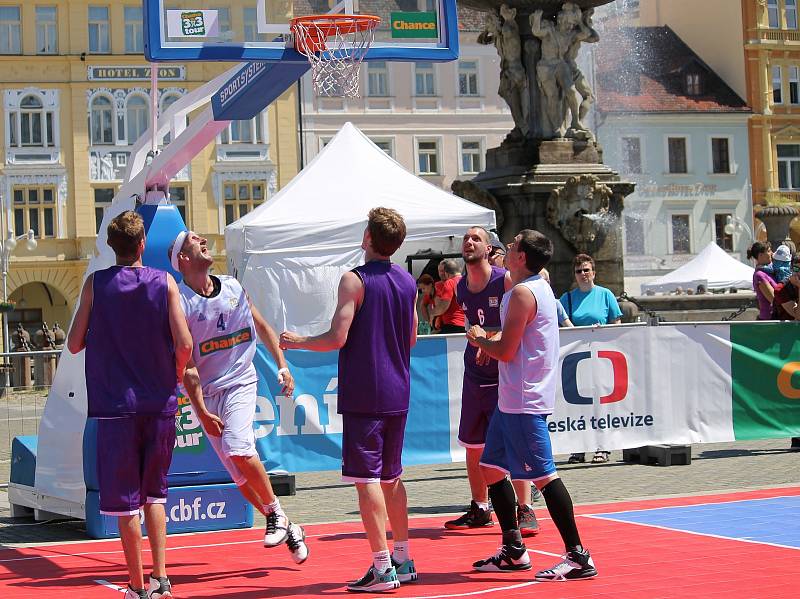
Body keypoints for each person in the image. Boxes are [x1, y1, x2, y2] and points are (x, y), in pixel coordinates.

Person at [279, 207, 418, 593]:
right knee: (392, 477)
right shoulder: (408, 281)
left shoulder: (354, 280)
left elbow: (338, 337)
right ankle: (403, 558)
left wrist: (299, 340)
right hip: (398, 388)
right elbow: (411, 339)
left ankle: (382, 566)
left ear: (368, 238)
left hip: (366, 392)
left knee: (366, 479)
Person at [67, 210, 193, 599]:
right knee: (156, 494)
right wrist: (173, 374)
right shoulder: (165, 283)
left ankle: (137, 585)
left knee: (126, 502)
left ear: (111, 245)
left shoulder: (95, 285)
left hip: (114, 405)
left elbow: (74, 342)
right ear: (142, 245)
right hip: (158, 402)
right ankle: (162, 578)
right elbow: (186, 343)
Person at [168, 230, 309, 565]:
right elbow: (187, 367)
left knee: (239, 448)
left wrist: (283, 366)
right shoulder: (182, 304)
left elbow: (263, 326)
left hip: (241, 382)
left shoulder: (232, 286)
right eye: (192, 240)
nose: (202, 239)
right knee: (239, 476)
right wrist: (200, 411)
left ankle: (275, 513)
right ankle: (289, 526)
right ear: (182, 260)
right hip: (209, 392)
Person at [466, 229, 597, 581]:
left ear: (522, 257)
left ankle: (578, 555)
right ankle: (513, 549)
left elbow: (506, 351)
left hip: (524, 400)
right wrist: (490, 340)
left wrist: (481, 338)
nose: (505, 249)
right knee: (490, 468)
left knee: (544, 476)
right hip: (512, 400)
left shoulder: (523, 292)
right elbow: (512, 341)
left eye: (511, 246)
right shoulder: (532, 288)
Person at [445, 227, 540, 537]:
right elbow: (473, 323)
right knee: (473, 445)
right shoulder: (460, 287)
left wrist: (494, 338)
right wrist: (476, 336)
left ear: (489, 249)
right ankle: (480, 507)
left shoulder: (506, 279)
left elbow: (540, 287)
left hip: (503, 371)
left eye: (477, 239)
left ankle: (524, 507)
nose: (469, 242)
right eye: (466, 238)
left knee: (513, 442)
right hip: (475, 373)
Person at [560, 253, 621, 464]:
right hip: (576, 358)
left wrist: (603, 333)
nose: (583, 274)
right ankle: (578, 448)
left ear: (593, 272)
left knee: (600, 404)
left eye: (586, 270)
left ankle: (602, 447)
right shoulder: (567, 298)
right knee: (577, 405)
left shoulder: (606, 295)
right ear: (575, 275)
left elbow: (616, 324)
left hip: (601, 357)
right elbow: (560, 325)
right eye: (579, 271)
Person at [430, 258, 466, 333]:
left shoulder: (450, 282)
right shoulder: (466, 281)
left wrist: (432, 313)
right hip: (467, 324)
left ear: (447, 273)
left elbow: (443, 306)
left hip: (452, 324)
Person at [748, 241, 777, 321]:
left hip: (776, 316)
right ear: (760, 255)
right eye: (768, 251)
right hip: (769, 319)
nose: (772, 253)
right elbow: (774, 299)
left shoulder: (770, 271)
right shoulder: (759, 275)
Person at [771, 252, 800, 321]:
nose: (799, 273)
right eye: (796, 269)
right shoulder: (781, 289)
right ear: (791, 269)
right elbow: (798, 316)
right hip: (784, 329)